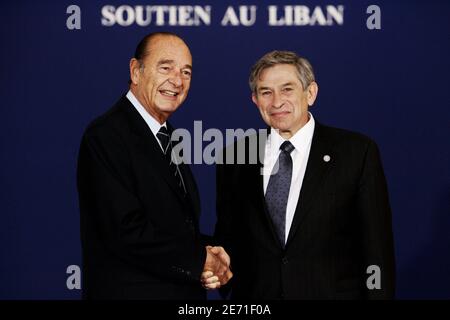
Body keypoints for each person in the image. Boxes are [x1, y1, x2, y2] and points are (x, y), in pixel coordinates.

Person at [213, 51, 395, 299]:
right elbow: (228, 239)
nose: (277, 102)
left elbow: (377, 252)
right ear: (255, 100)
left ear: (310, 93)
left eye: (287, 89)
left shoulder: (356, 153)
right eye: (266, 92)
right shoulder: (234, 156)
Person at [77, 32, 231, 299]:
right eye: (165, 67)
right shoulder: (106, 135)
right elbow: (126, 231)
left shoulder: (166, 135)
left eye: (186, 72)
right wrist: (200, 259)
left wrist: (212, 251)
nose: (177, 81)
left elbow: (173, 226)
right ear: (136, 71)